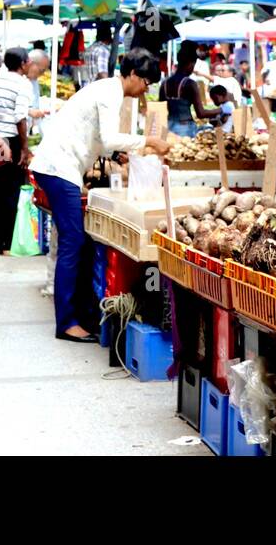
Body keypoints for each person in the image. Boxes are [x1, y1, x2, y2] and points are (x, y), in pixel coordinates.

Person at [29, 49, 169, 342]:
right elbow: (108, 137)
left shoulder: (106, 89)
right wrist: (149, 142)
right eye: (146, 82)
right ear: (133, 74)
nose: (146, 89)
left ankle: (76, 315)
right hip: (58, 167)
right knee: (73, 241)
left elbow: (101, 140)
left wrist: (120, 152)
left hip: (60, 166)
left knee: (74, 241)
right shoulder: (111, 93)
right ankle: (66, 323)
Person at [0, 48, 33, 255]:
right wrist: (24, 147)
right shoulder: (23, 84)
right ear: (22, 63)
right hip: (11, 141)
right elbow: (20, 117)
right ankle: (6, 244)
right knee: (12, 190)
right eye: (28, 61)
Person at [163, 40, 221, 137]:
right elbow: (201, 113)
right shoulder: (189, 84)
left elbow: (161, 108)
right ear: (191, 64)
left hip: (168, 126)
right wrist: (220, 110)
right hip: (185, 128)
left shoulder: (165, 83)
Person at [26, 51, 52, 135]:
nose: (43, 74)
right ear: (31, 64)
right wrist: (30, 112)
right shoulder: (15, 79)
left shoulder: (34, 81)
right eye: (42, 70)